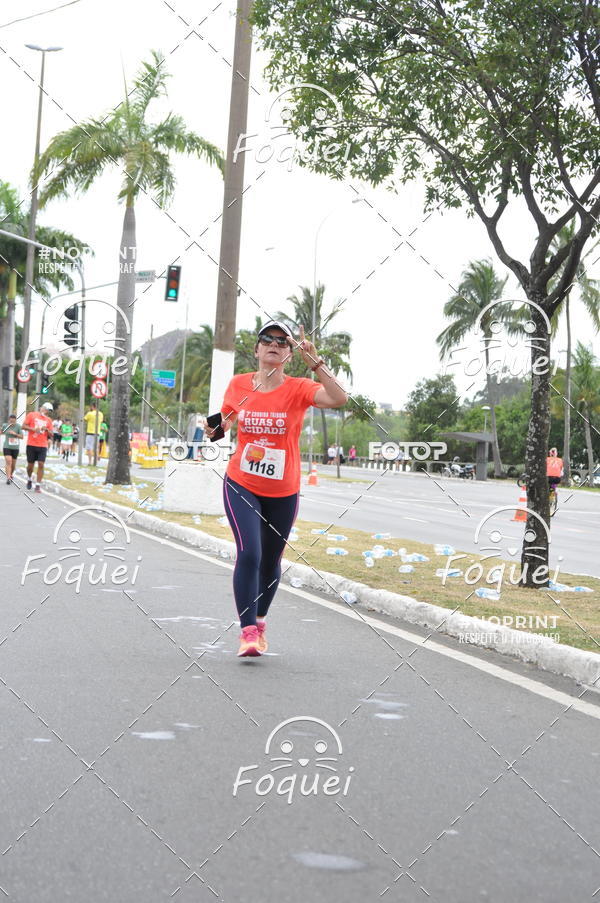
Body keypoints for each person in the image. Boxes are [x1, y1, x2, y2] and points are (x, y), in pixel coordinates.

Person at [206, 320, 347, 657]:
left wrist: (316, 363)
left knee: (270, 560)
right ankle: (247, 633)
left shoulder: (299, 388)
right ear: (256, 350)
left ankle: (260, 621)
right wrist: (214, 429)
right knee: (249, 553)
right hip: (242, 482)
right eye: (267, 339)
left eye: (283, 342)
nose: (274, 344)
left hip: (284, 490)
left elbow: (338, 398)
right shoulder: (239, 384)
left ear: (289, 355)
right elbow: (226, 421)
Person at [22, 402, 54, 492]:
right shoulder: (32, 415)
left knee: (41, 464)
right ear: (42, 408)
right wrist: (33, 429)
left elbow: (52, 434)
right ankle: (29, 478)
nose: (47, 412)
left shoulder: (49, 420)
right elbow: (23, 426)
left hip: (42, 445)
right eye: (46, 410)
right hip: (31, 444)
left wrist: (47, 429)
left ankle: (38, 485)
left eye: (49, 411)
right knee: (30, 466)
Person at [2, 414, 23, 484]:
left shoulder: (18, 426)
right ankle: (8, 478)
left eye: (13, 422)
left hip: (15, 448)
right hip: (7, 446)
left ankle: (11, 474)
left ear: (15, 421)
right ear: (9, 420)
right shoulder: (5, 425)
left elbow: (22, 437)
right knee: (8, 461)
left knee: (13, 465)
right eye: (11, 421)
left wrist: (15, 434)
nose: (12, 423)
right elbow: (1, 432)